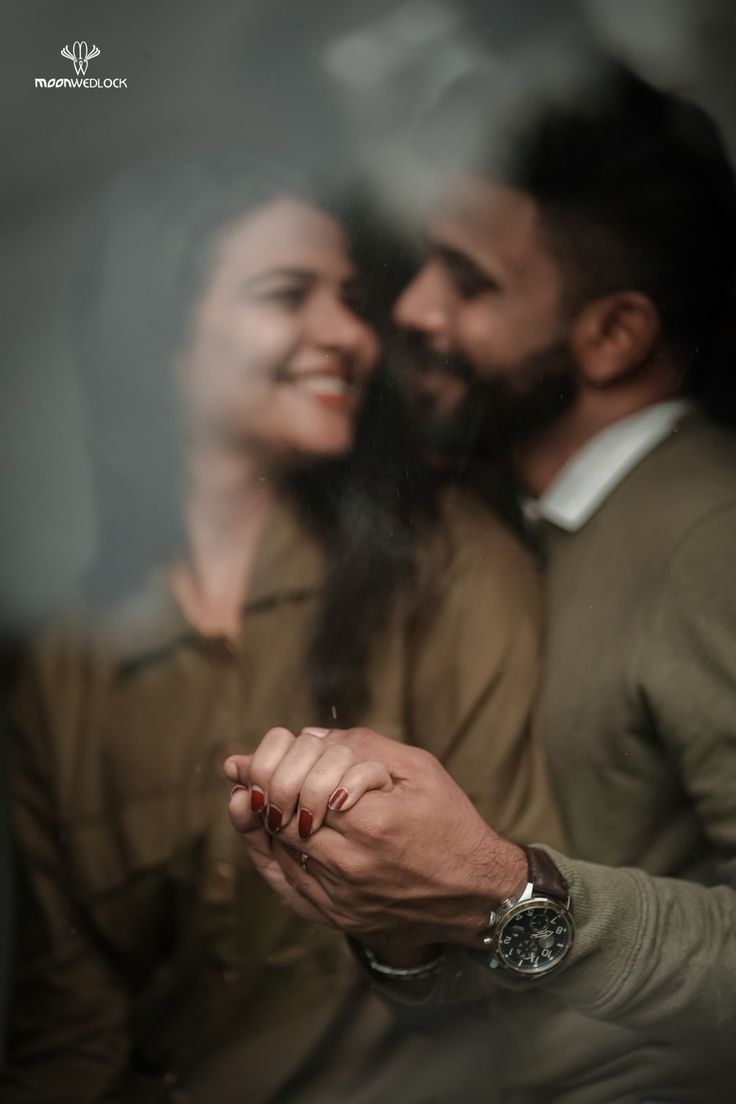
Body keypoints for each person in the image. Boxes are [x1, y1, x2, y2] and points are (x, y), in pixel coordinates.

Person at [1, 152, 562, 1103]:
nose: (350, 333)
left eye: (347, 297)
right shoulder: (66, 670)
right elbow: (73, 1026)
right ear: (160, 342)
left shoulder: (446, 565)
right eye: (286, 294)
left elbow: (525, 942)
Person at [227, 68, 736, 1102]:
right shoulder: (512, 525)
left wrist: (502, 892)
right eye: (426, 265)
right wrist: (395, 917)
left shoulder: (709, 541)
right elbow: (504, 939)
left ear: (612, 336)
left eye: (470, 283)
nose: (410, 309)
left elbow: (513, 902)